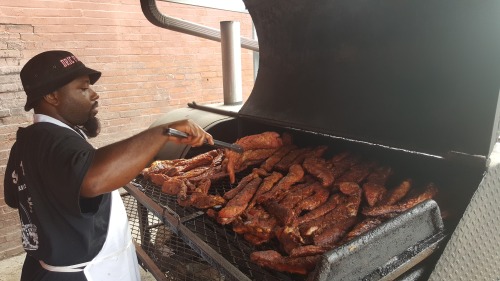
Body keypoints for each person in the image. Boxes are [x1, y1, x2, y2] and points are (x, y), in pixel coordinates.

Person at [3, 50, 214, 281]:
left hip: (43, 268)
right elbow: (93, 179)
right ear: (52, 96)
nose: (94, 95)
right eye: (83, 88)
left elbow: (14, 198)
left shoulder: (28, 139)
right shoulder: (55, 139)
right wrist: (162, 132)